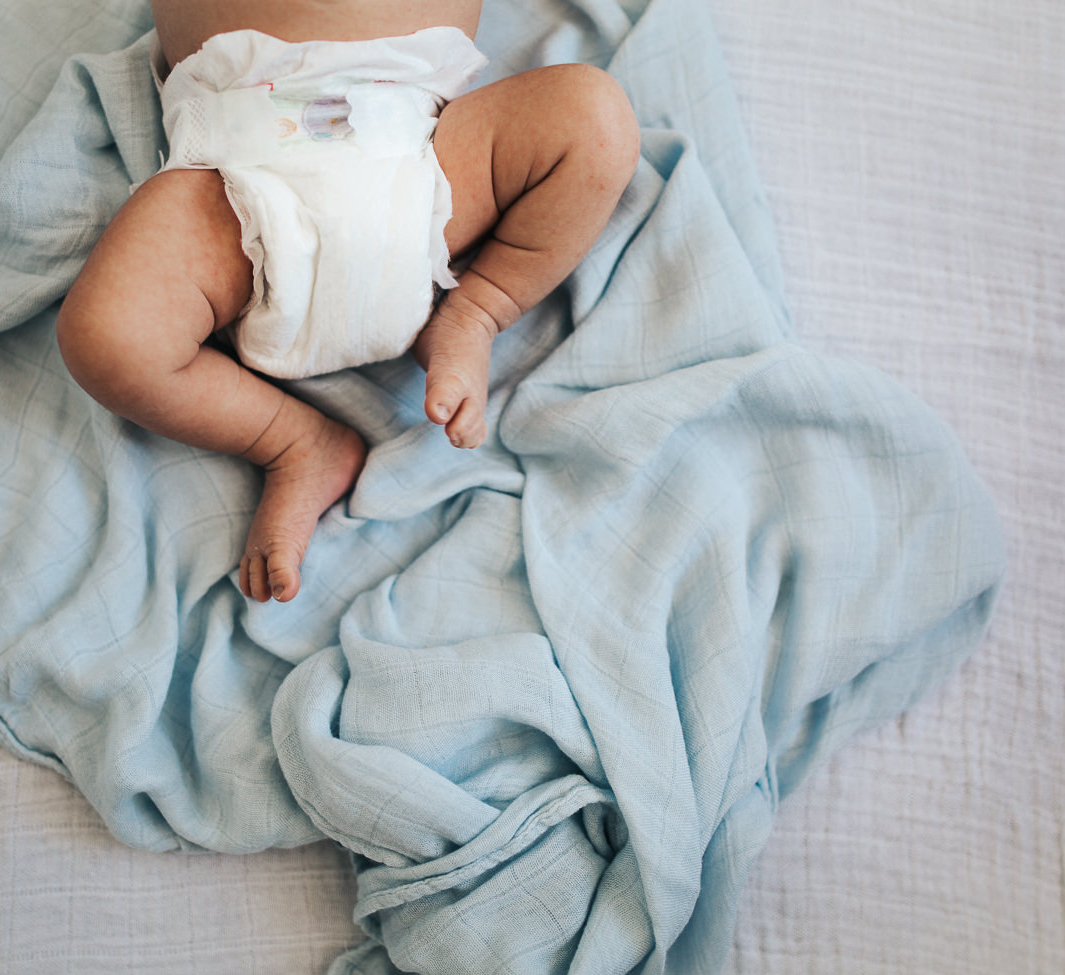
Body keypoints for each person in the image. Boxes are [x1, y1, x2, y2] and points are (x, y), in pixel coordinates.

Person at [57, 1, 641, 603]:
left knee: (595, 117)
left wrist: (480, 306)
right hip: (236, 183)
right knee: (106, 341)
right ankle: (293, 441)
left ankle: (478, 310)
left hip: (423, 153)